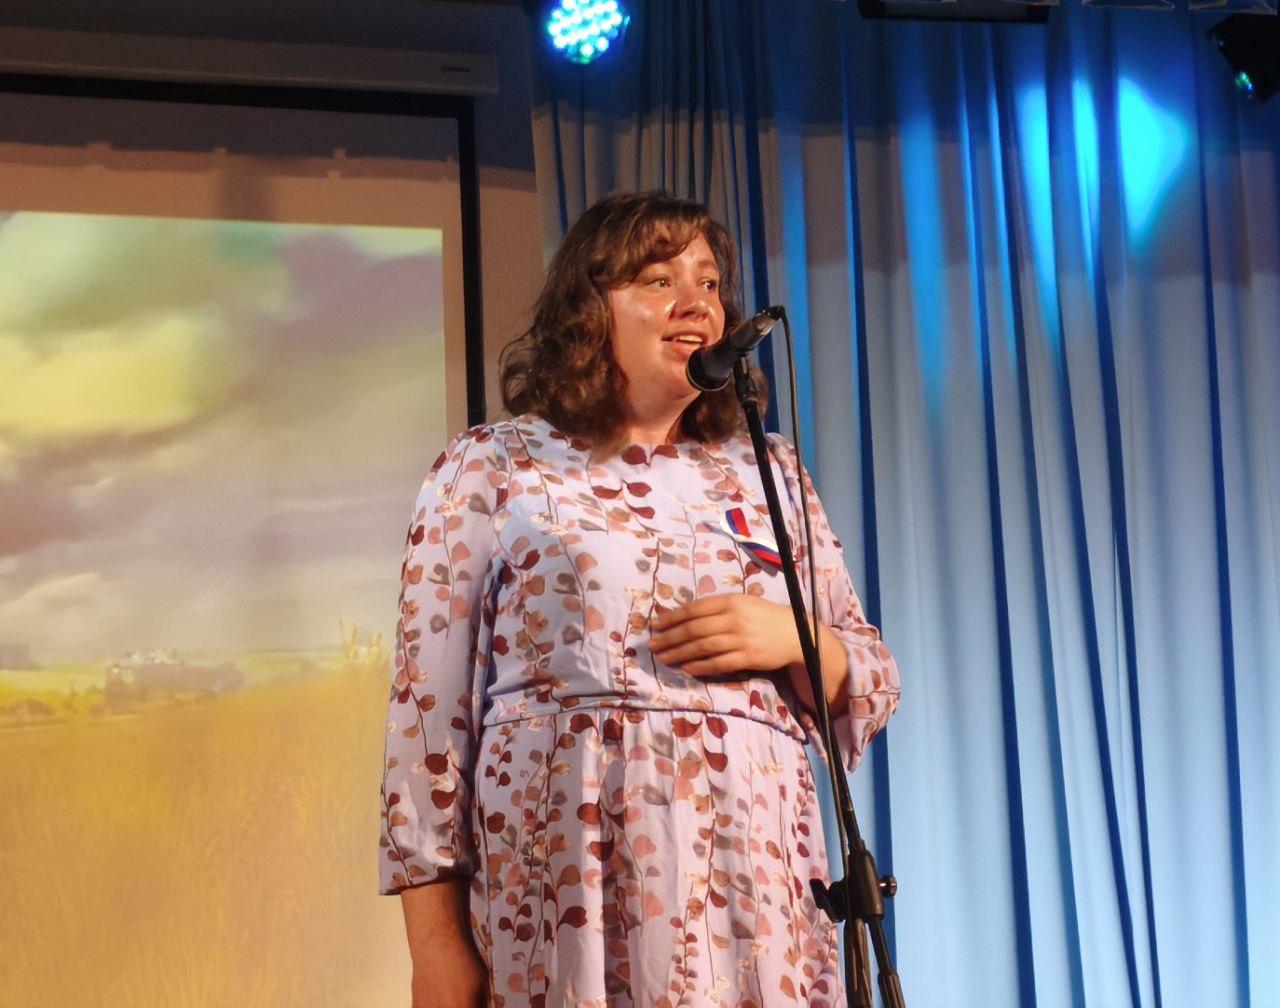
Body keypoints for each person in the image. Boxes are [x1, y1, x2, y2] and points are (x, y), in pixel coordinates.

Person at [379, 191, 900, 1008]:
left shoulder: (767, 471)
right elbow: (425, 729)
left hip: (755, 900)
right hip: (570, 893)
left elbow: (870, 673)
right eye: (659, 280)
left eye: (708, 281)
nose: (697, 302)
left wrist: (797, 639)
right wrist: (436, 948)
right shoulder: (492, 467)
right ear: (591, 313)